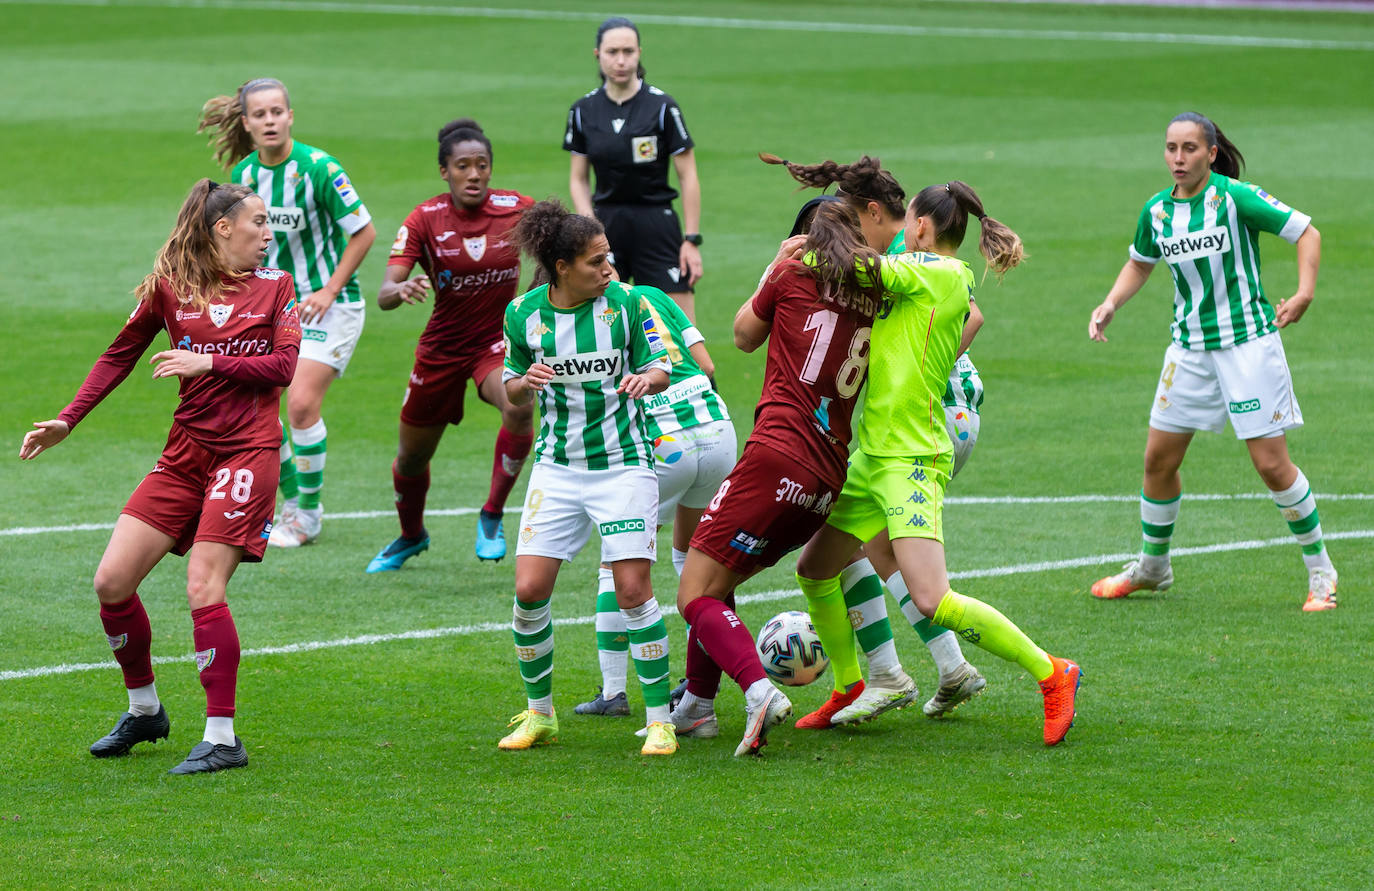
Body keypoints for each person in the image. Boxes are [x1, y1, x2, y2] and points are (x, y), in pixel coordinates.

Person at [19, 180, 301, 774]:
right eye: (258, 222)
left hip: (247, 452)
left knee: (204, 584)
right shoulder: (172, 289)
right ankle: (145, 710)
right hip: (185, 454)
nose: (269, 232)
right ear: (223, 227)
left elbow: (283, 366)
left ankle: (222, 738)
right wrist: (69, 420)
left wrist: (209, 360)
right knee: (111, 582)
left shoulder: (277, 287)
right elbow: (119, 353)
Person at [793, 181, 1083, 747]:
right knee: (816, 568)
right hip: (873, 455)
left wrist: (803, 249)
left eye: (906, 226)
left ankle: (1053, 672)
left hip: (912, 459)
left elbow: (866, 271)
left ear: (921, 226)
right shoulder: (919, 271)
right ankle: (851, 685)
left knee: (932, 599)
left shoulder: (944, 276)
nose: (898, 233)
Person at [765, 157, 987, 728]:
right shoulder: (916, 265)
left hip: (925, 427)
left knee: (871, 551)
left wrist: (921, 376)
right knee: (869, 547)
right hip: (942, 417)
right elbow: (973, 314)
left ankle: (892, 675)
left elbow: (971, 314)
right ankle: (944, 668)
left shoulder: (899, 266)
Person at [1088, 112, 1335, 611]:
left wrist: (1305, 292)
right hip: (1189, 349)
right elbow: (1140, 261)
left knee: (1270, 464)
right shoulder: (1157, 212)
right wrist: (1112, 302)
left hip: (1248, 345)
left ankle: (1321, 572)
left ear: (1211, 152)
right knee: (1158, 460)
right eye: (1171, 148)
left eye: (1189, 149)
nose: (1178, 159)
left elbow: (1307, 233)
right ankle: (1154, 567)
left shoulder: (1234, 198)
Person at [669, 200, 885, 756]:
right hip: (826, 476)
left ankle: (760, 690)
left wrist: (775, 263)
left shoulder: (792, 272)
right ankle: (697, 704)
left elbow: (742, 336)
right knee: (721, 579)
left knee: (694, 593)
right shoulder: (876, 293)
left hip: (777, 455)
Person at [496, 200, 677, 756]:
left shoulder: (626, 304)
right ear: (560, 267)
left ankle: (660, 720)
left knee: (632, 591)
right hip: (556, 468)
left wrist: (649, 379)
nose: (608, 268)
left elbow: (663, 364)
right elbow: (508, 386)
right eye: (596, 261)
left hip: (623, 465)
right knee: (529, 592)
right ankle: (540, 715)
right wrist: (524, 382)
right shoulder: (524, 314)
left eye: (609, 258)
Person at [200, 77, 376, 548]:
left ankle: (308, 516)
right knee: (260, 415)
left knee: (299, 404)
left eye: (277, 111)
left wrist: (328, 289)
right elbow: (230, 242)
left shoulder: (320, 168)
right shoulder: (245, 178)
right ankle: (289, 506)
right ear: (247, 123)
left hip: (329, 308)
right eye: (260, 114)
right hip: (270, 308)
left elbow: (363, 231)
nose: (270, 120)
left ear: (290, 116)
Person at [365, 119, 535, 571]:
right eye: (463, 166)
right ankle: (410, 535)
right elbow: (384, 292)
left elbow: (563, 242)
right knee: (412, 456)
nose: (474, 174)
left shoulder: (516, 209)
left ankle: (493, 514)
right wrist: (399, 291)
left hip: (494, 345)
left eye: (482, 165)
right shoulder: (425, 219)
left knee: (520, 405)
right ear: (445, 171)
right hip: (440, 350)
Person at [573, 284, 735, 717]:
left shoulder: (591, 313)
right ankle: (698, 687)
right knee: (695, 557)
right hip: (716, 427)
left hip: (664, 440)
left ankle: (612, 694)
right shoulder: (653, 294)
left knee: (615, 559)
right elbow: (707, 362)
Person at [564, 16, 703, 321]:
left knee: (680, 331)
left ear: (640, 52)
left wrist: (691, 240)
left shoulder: (663, 107)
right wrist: (589, 231)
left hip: (657, 223)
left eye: (629, 51)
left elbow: (688, 175)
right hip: (605, 226)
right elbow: (578, 180)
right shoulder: (582, 111)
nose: (621, 60)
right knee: (603, 326)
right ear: (597, 55)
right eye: (613, 52)